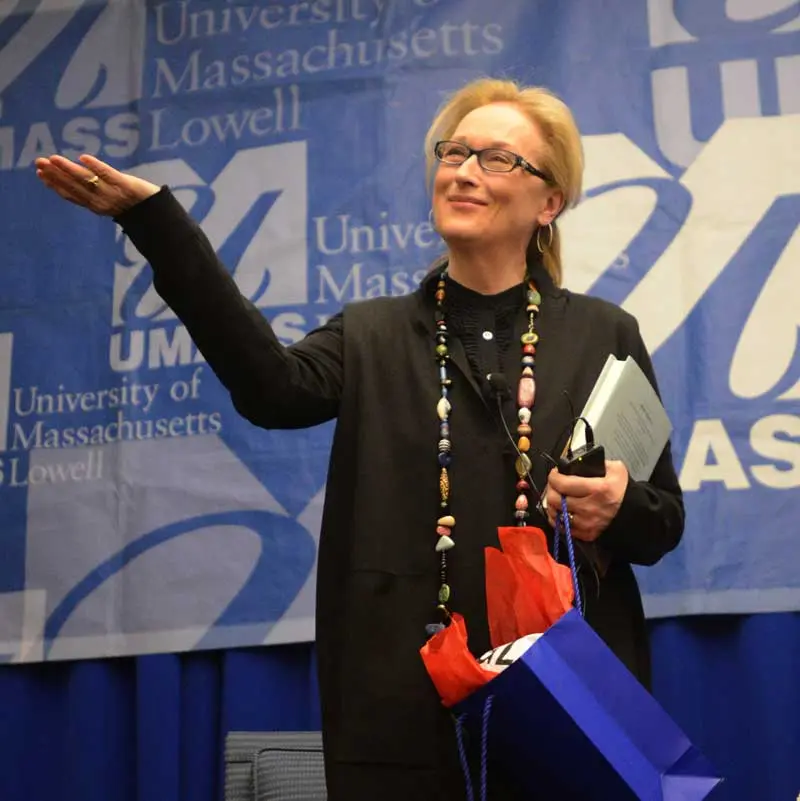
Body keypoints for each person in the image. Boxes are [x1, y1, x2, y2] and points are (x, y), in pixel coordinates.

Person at [36, 78, 684, 801]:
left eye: (497, 159)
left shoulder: (605, 334)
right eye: (455, 152)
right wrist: (157, 225)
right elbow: (272, 391)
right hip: (401, 711)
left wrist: (618, 506)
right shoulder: (372, 332)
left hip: (570, 706)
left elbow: (663, 523)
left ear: (549, 202)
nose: (464, 171)